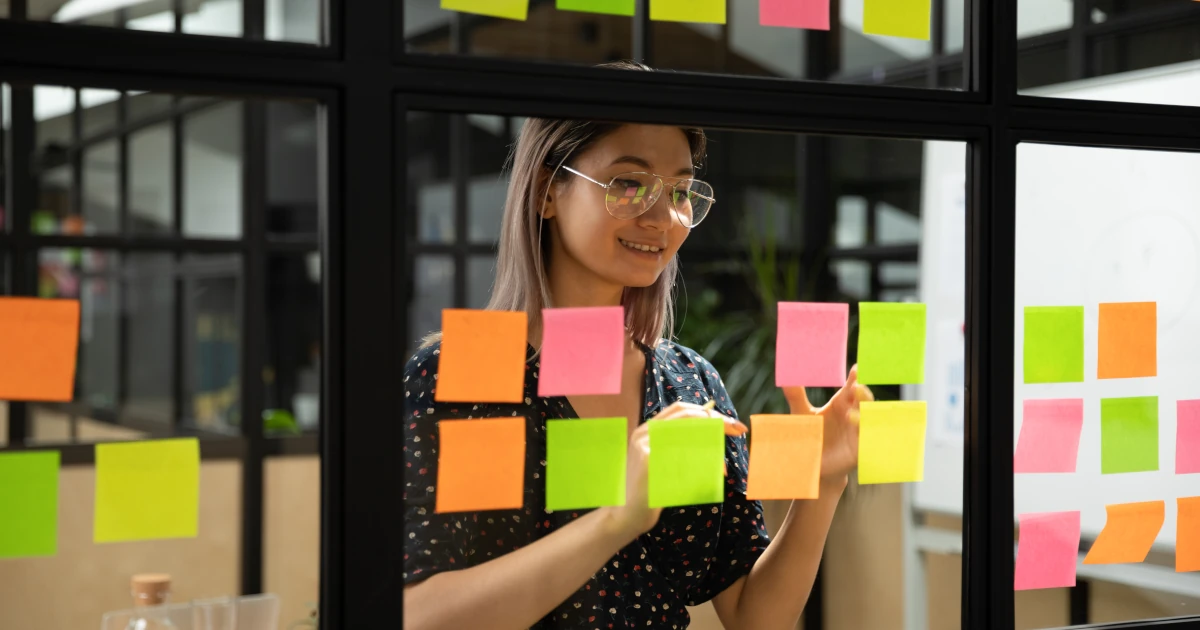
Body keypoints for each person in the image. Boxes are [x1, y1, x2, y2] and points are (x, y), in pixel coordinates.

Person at [403, 61, 872, 630]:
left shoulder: (689, 382)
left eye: (679, 190)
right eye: (629, 183)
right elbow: (417, 616)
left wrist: (821, 486)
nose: (663, 217)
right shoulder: (466, 372)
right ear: (548, 191)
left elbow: (754, 617)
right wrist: (616, 519)